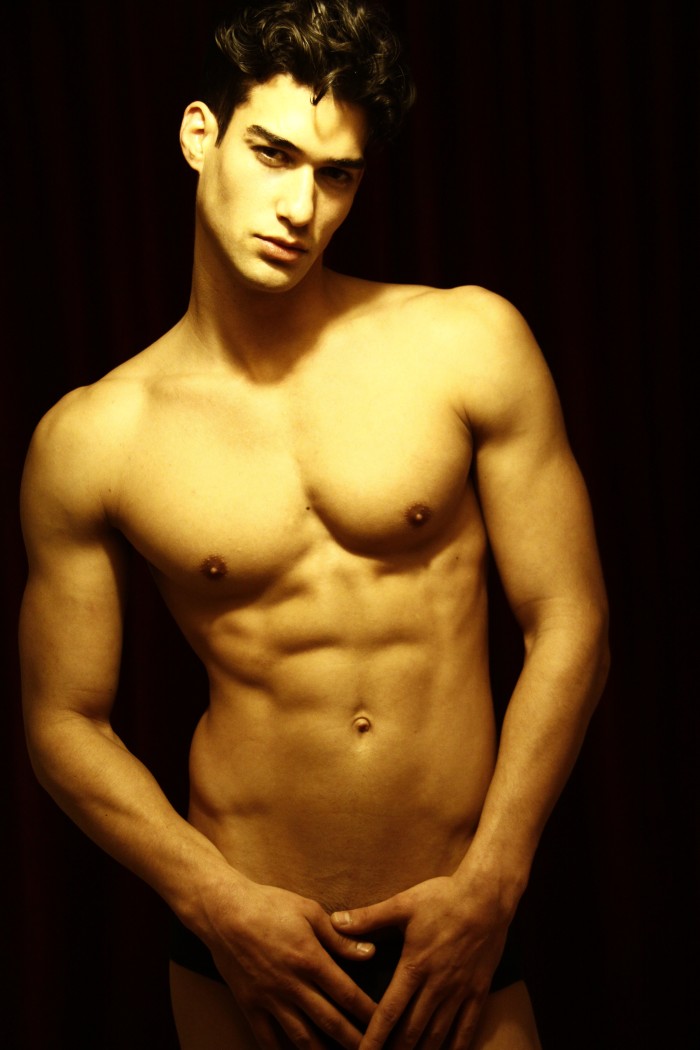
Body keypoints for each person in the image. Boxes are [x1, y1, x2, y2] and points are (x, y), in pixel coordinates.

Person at [19, 1, 610, 1047]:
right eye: (273, 153)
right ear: (199, 134)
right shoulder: (95, 437)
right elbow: (62, 719)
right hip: (247, 940)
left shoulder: (465, 342)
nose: (300, 206)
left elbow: (569, 620)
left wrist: (494, 882)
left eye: (336, 175)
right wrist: (211, 902)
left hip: (460, 919)